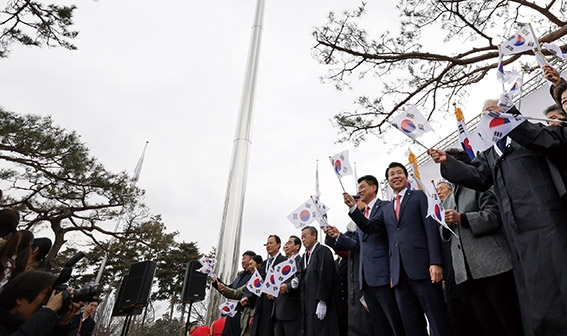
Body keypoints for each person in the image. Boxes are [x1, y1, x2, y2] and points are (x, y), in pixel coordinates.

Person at [428, 98, 567, 335]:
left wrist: (514, 118)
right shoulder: (492, 152)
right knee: (534, 295)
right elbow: (478, 177)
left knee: (559, 283)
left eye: (493, 111)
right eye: (484, 114)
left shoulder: (530, 135)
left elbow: (545, 139)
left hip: (546, 223)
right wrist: (447, 162)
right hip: (516, 232)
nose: (488, 117)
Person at [344, 162, 449, 336]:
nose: (396, 176)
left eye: (399, 173)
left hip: (423, 269)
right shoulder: (387, 208)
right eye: (392, 174)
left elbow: (430, 230)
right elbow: (369, 227)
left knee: (437, 320)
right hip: (399, 277)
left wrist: (436, 262)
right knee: (412, 325)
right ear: (388, 181)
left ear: (406, 178)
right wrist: (353, 208)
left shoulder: (420, 196)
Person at [441, 148, 523, 336]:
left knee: (509, 320)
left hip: (493, 267)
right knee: (487, 325)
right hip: (466, 274)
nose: (446, 170)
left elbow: (493, 217)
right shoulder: (447, 200)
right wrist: (444, 225)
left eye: (448, 164)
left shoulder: (480, 186)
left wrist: (461, 218)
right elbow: (446, 233)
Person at [328, 175, 405, 336]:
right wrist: (339, 236)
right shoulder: (363, 215)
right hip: (366, 279)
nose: (359, 191)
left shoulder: (385, 207)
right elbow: (358, 246)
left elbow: (373, 229)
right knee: (379, 326)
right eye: (359, 188)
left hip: (383, 275)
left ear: (374, 188)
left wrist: (353, 209)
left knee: (395, 322)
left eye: (362, 187)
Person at [324, 221, 374, 336]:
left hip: (368, 284)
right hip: (352, 293)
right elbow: (340, 244)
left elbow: (353, 244)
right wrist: (331, 235)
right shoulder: (350, 235)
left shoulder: (369, 227)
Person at [0, 270, 78, 336]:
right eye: (47, 293)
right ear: (20, 298)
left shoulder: (31, 327)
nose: (49, 301)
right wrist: (48, 311)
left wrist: (62, 325)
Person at [297, 226, 339, 336]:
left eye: (305, 236)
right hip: (307, 303)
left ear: (314, 235)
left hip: (319, 301)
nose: (303, 240)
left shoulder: (323, 251)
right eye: (301, 238)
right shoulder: (304, 257)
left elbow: (326, 275)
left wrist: (322, 300)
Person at [248, 235, 286, 336]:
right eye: (267, 244)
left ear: (278, 245)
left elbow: (286, 282)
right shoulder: (263, 265)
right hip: (261, 305)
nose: (268, 246)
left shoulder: (284, 262)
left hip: (275, 306)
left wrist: (276, 290)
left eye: (271, 243)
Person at [212, 250, 256, 336]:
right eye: (242, 258)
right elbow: (229, 290)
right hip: (231, 312)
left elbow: (241, 293)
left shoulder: (253, 276)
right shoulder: (239, 276)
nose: (242, 261)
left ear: (251, 260)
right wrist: (216, 281)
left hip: (242, 313)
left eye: (244, 258)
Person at [220, 255, 263, 336]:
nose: (250, 267)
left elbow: (258, 299)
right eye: (249, 264)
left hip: (254, 318)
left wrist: (252, 315)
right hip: (243, 317)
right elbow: (237, 293)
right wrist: (223, 288)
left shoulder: (263, 279)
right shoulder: (249, 281)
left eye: (251, 264)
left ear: (258, 265)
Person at [273, 236, 301, 336]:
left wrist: (288, 287)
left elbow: (300, 279)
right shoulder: (283, 264)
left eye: (289, 243)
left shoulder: (300, 262)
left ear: (297, 246)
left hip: (291, 312)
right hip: (278, 312)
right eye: (286, 243)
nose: (286, 245)